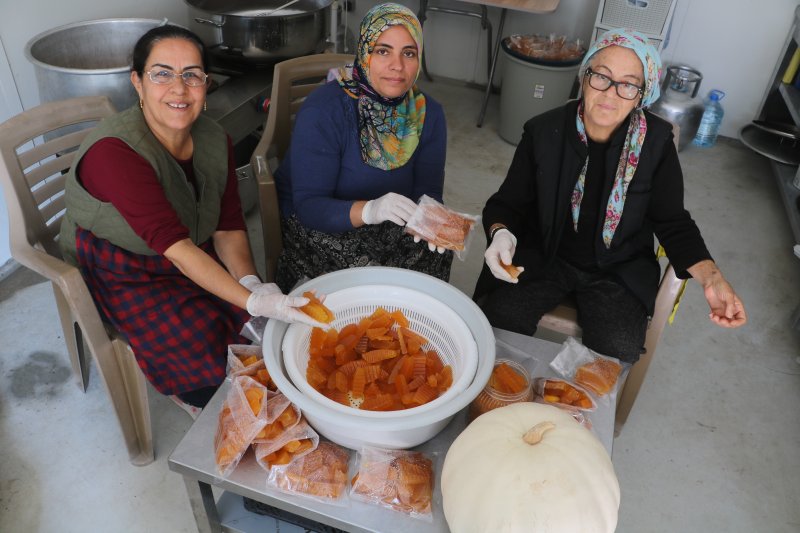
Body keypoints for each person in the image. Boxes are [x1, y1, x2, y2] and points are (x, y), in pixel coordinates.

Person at [58, 25, 325, 412]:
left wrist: (251, 284)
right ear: (138, 82)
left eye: (192, 75)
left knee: (263, 334)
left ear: (206, 84)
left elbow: (229, 223)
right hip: (124, 262)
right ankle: (204, 405)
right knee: (202, 348)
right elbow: (176, 248)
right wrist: (250, 300)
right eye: (162, 73)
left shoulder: (215, 140)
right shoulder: (115, 154)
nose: (179, 89)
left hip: (187, 243)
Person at [474, 28, 747, 363]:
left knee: (618, 346)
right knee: (497, 320)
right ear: (583, 78)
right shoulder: (544, 132)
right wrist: (500, 233)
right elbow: (508, 203)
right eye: (601, 76)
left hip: (619, 268)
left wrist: (713, 278)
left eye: (628, 84)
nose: (610, 93)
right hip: (545, 254)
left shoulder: (656, 146)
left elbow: (673, 221)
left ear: (641, 95)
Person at [273, 2, 453, 293]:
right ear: (364, 52)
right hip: (320, 219)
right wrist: (370, 210)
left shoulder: (427, 113)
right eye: (383, 51)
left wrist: (435, 225)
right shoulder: (325, 110)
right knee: (373, 278)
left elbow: (428, 194)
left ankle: (408, 332)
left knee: (437, 253)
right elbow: (310, 206)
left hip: (391, 219)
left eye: (409, 53)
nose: (398, 66)